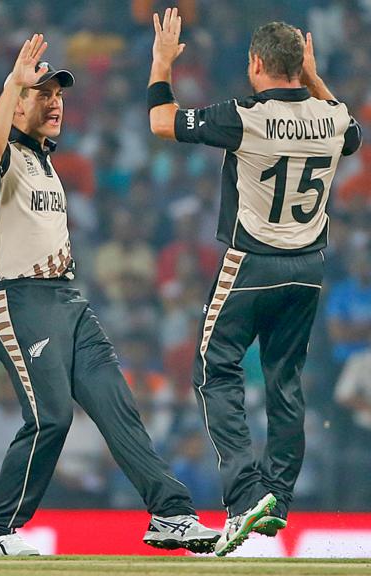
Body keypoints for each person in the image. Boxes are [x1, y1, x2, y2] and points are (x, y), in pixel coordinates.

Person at [0, 34, 219, 557]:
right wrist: (12, 83)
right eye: (42, 93)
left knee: (118, 406)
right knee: (50, 417)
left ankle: (172, 514)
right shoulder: (1, 155)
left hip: (68, 301)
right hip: (20, 299)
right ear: (17, 103)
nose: (55, 102)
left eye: (59, 95)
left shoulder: (41, 162)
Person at [149, 9, 362, 556]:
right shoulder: (334, 118)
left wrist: (161, 62)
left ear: (257, 63)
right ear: (302, 65)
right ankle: (277, 500)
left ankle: (245, 496)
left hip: (254, 263)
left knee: (214, 367)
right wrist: (313, 77)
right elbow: (354, 136)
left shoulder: (246, 114)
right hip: (309, 268)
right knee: (285, 380)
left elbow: (161, 121)